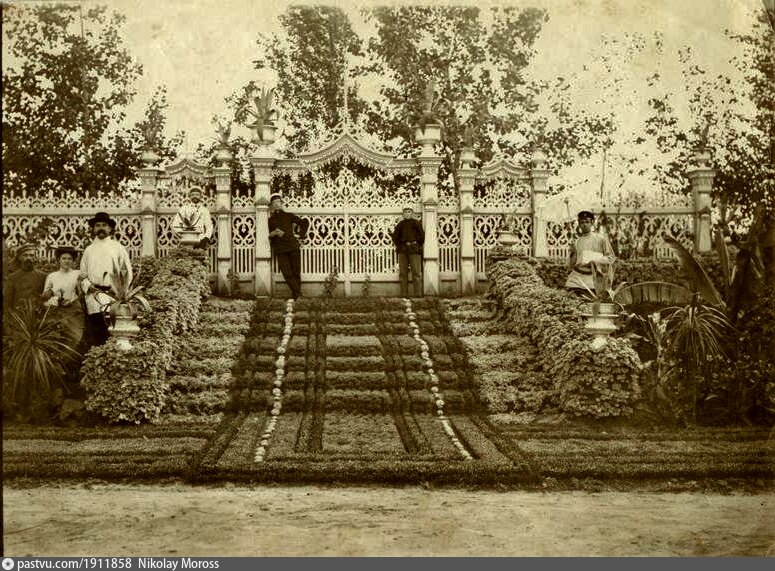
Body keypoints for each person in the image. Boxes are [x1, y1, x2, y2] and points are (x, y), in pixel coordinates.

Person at [79, 212, 133, 347]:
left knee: (114, 332)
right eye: (97, 225)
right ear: (93, 229)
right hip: (94, 296)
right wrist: (89, 287)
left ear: (110, 228)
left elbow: (126, 272)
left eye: (104, 225)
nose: (101, 228)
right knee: (98, 334)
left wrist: (121, 291)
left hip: (112, 295)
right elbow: (82, 275)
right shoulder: (88, 250)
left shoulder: (118, 248)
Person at [268, 194, 309, 300]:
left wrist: (300, 236)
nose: (277, 204)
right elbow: (267, 235)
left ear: (281, 203)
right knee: (287, 273)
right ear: (271, 206)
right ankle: (298, 294)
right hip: (280, 249)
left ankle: (297, 296)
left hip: (293, 247)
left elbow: (305, 222)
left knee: (296, 272)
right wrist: (272, 234)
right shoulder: (270, 220)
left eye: (278, 202)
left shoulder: (289, 216)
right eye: (274, 203)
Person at [565, 210, 615, 293]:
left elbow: (611, 258)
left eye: (587, 222)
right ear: (579, 224)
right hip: (578, 277)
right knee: (571, 293)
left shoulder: (601, 239)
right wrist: (572, 254)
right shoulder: (577, 242)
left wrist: (595, 261)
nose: (584, 225)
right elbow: (571, 265)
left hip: (595, 276)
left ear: (592, 223)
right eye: (582, 222)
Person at [3, 243, 47, 313]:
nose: (28, 258)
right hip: (18, 315)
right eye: (25, 255)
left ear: (35, 257)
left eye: (31, 255)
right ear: (19, 258)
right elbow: (8, 302)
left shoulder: (43, 276)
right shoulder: (12, 278)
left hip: (38, 315)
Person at [392, 206, 425, 297]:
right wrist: (401, 245)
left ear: (412, 213)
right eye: (405, 212)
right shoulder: (400, 224)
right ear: (403, 214)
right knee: (403, 273)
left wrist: (416, 244)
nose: (407, 213)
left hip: (414, 250)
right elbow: (395, 237)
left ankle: (418, 294)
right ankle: (404, 293)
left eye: (409, 211)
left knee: (416, 272)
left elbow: (422, 237)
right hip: (403, 250)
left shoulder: (416, 223)